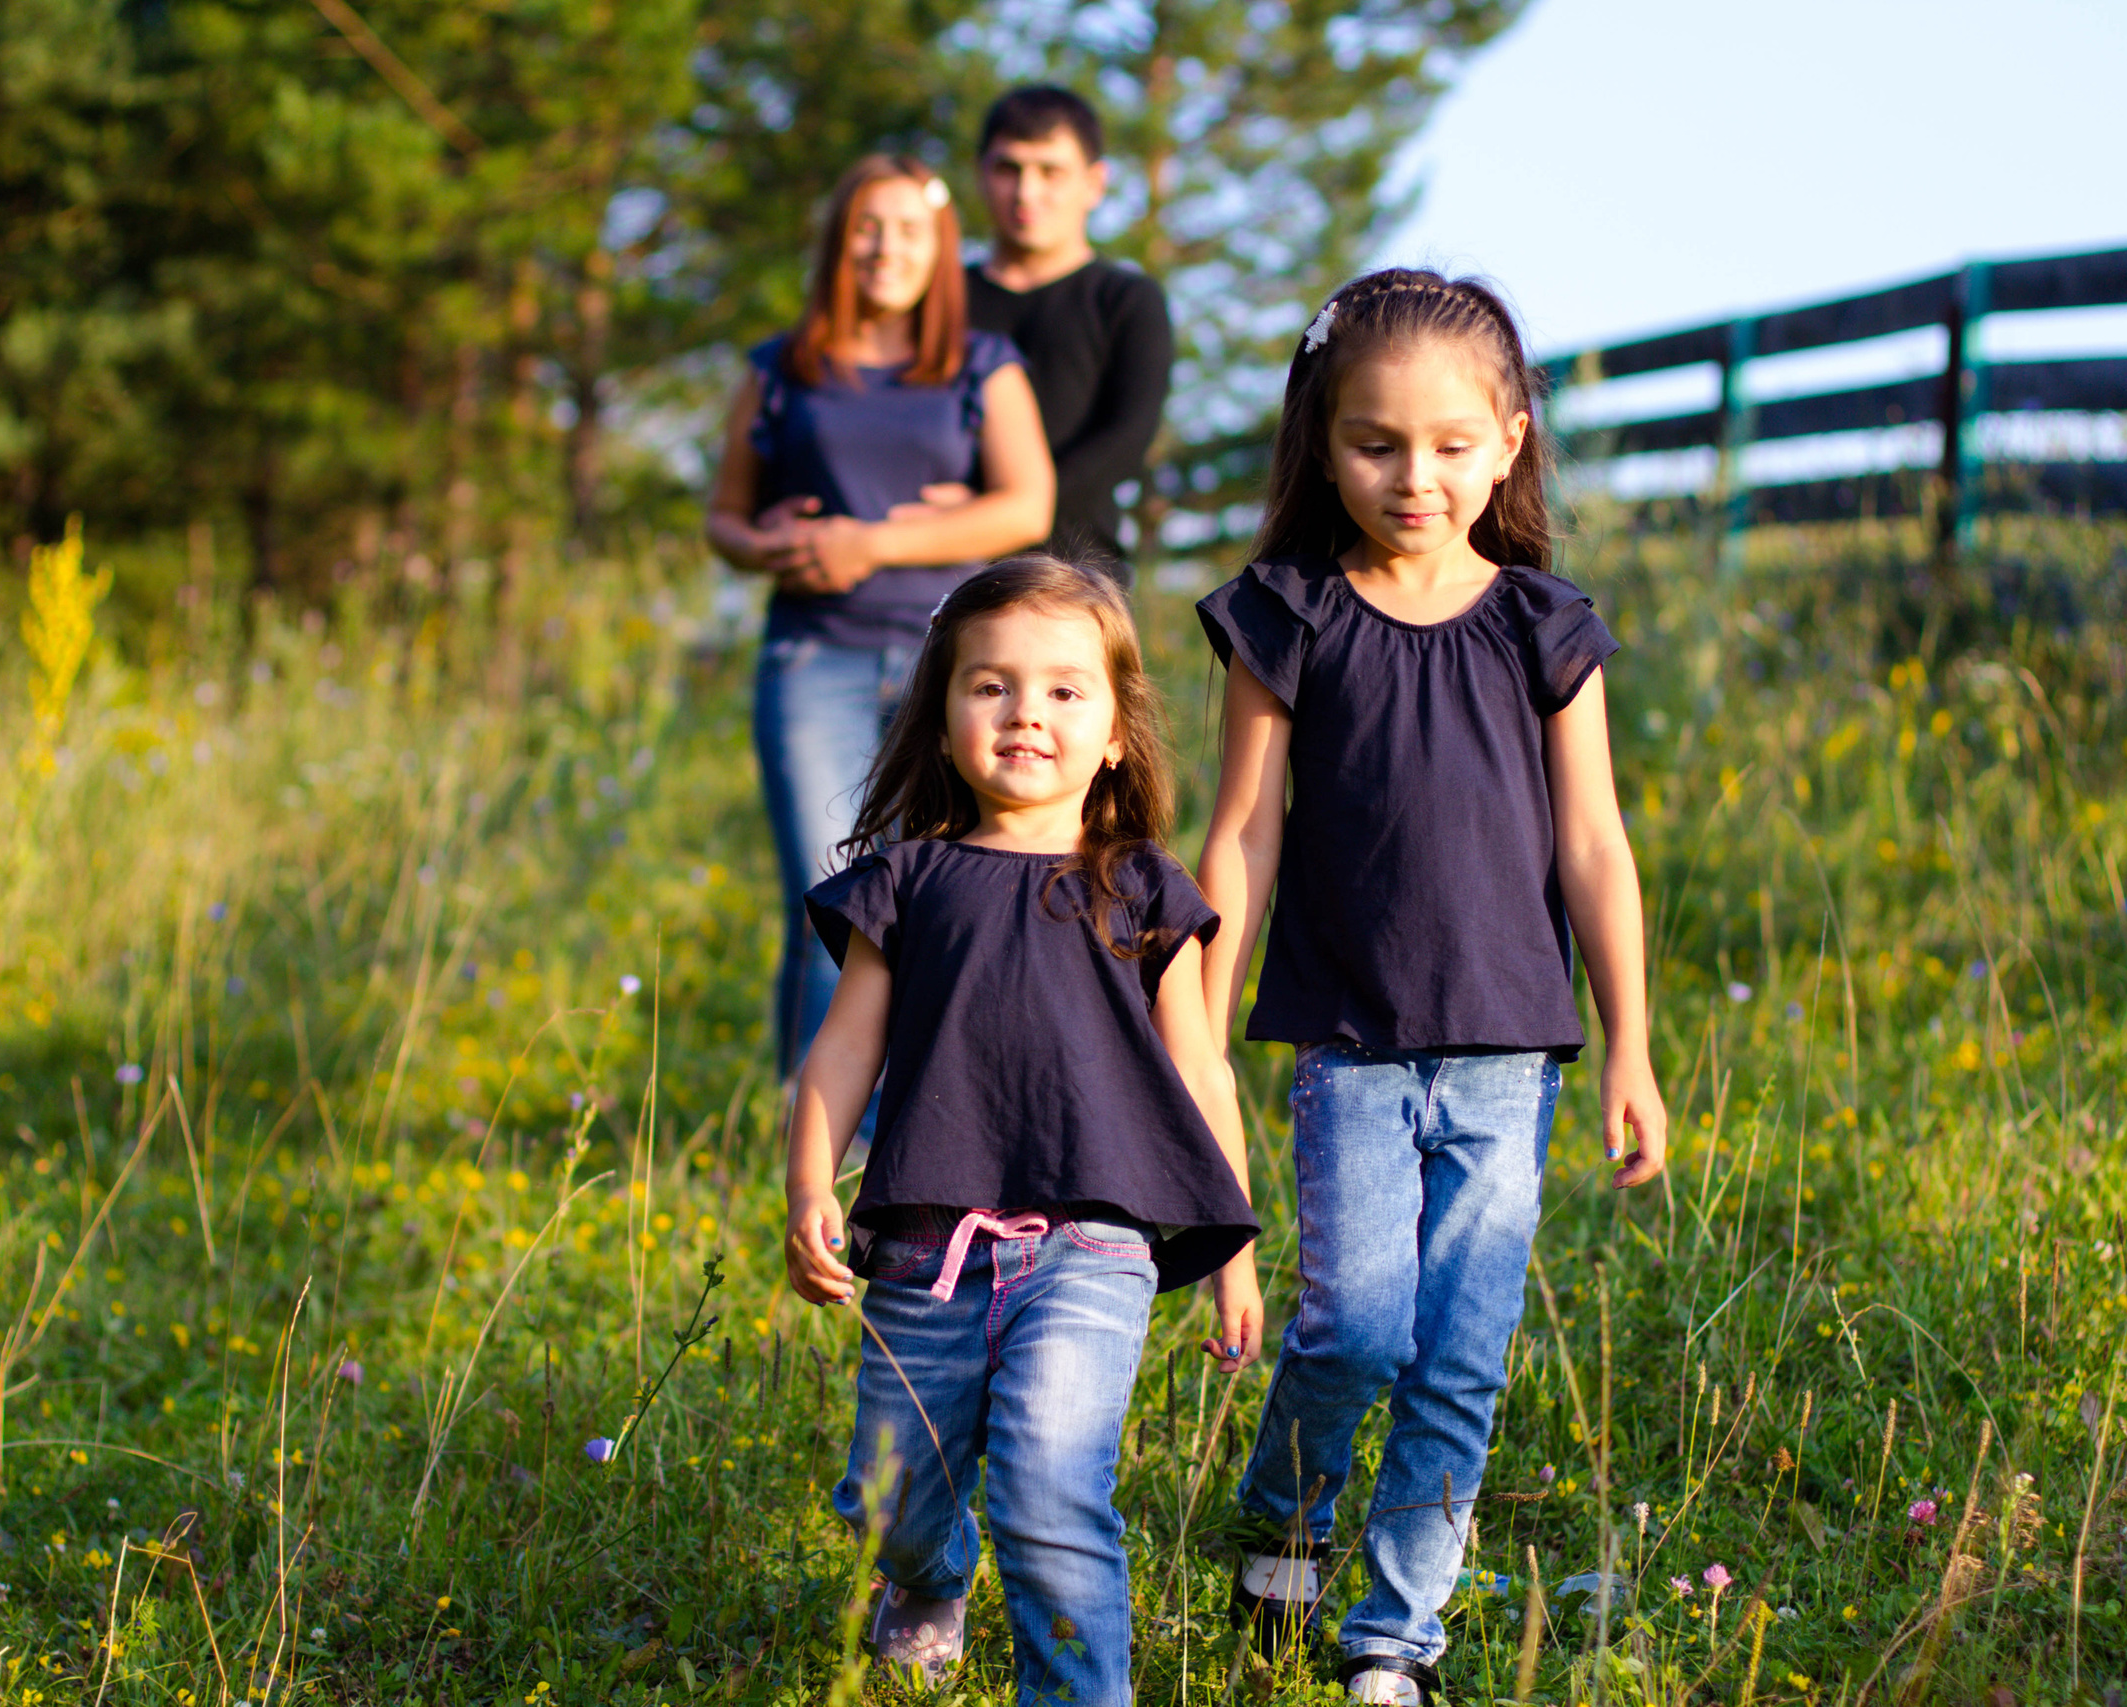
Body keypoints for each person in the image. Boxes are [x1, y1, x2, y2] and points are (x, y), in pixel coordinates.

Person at [1192, 269, 1670, 1705]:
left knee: (1460, 1355)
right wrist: (1197, 1035)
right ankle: (1284, 1523)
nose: (1416, 477)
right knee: (1354, 1327)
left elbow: (1594, 838)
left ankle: (1393, 1636)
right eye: (1376, 444)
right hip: (1350, 1040)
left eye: (1454, 444)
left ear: (1511, 442)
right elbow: (1242, 830)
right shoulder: (1288, 617)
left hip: (1512, 1050)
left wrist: (1633, 1043)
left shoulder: (1545, 624)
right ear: (1322, 443)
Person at [784, 556, 1262, 1704]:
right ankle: (932, 1576)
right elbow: (845, 1049)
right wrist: (809, 1180)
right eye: (989, 686)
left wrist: (1234, 1248)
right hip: (923, 1243)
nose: (1023, 714)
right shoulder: (905, 880)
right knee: (891, 1499)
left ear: (1112, 731)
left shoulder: (1146, 887)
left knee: (1050, 1482)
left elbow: (1201, 1066)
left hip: (1096, 1240)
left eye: (1062, 690)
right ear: (942, 713)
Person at [707, 155, 1055, 1087]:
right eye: (868, 226)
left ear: (940, 248)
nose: (885, 247)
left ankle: (927, 1110)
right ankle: (817, 1134)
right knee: (827, 891)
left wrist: (879, 543)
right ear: (838, 241)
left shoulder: (984, 365)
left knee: (936, 888)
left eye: (908, 229)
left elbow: (1027, 506)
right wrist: (762, 541)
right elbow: (724, 519)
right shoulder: (779, 370)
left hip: (947, 668)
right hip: (812, 655)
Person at [963, 86, 1173, 579]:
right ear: (981, 175)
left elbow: (1126, 439)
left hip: (1079, 574)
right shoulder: (938, 303)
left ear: (1095, 183)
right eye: (1008, 169)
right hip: (939, 576)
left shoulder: (1128, 301)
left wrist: (991, 513)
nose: (1026, 192)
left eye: (1049, 171)